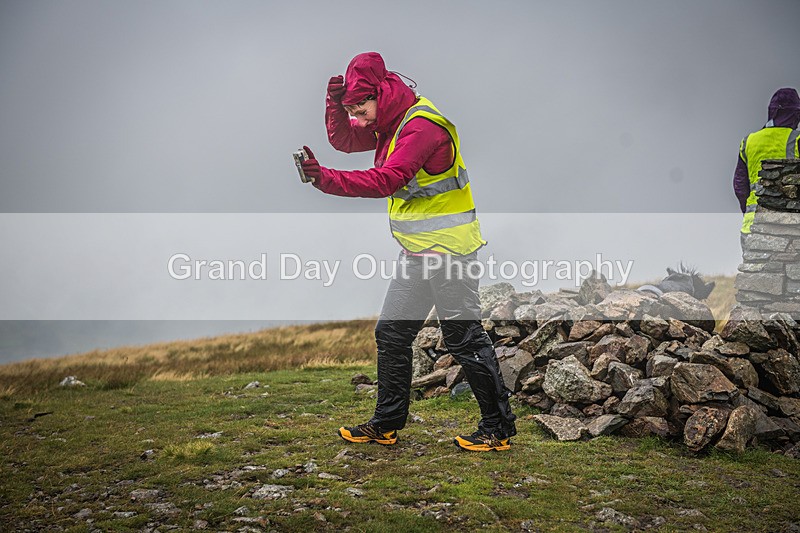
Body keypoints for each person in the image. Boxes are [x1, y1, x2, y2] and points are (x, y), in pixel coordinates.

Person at [301, 52, 516, 452]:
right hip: (418, 252)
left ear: (381, 94)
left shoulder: (421, 127)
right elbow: (345, 139)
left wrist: (326, 179)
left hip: (450, 251)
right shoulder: (388, 123)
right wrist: (335, 105)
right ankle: (386, 424)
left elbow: (388, 179)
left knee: (464, 337)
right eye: (353, 110)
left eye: (360, 108)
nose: (360, 120)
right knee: (393, 333)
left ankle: (498, 430)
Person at [734, 88, 800, 245]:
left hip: (752, 225)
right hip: (793, 227)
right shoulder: (797, 140)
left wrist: (748, 212)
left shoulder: (749, 141)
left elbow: (740, 187)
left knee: (757, 268)